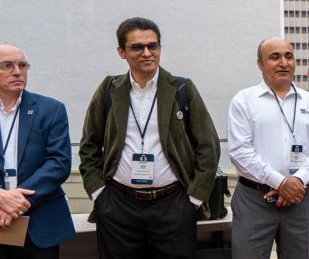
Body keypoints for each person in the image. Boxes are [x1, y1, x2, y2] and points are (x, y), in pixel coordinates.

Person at [78, 17, 221, 259]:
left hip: (173, 205)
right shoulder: (110, 89)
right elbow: (89, 144)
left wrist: (194, 199)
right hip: (118, 206)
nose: (147, 53)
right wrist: (99, 194)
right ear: (121, 52)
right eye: (137, 47)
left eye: (152, 46)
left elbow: (209, 146)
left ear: (160, 49)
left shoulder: (181, 89)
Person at [227, 37, 309, 259]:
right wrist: (280, 182)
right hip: (254, 200)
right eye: (274, 57)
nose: (283, 62)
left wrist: (297, 182)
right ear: (260, 64)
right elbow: (240, 151)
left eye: (289, 56)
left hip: (299, 201)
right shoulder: (244, 101)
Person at [0, 43, 75, 259]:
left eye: (23, 65)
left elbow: (58, 162)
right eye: (8, 65)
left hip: (39, 223)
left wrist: (15, 202)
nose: (18, 71)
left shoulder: (51, 109)